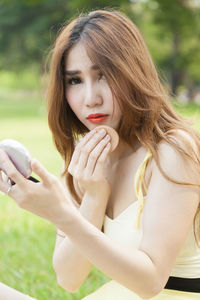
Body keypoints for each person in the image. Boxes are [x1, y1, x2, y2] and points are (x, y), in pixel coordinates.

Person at [0, 8, 200, 300]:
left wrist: (61, 214)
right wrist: (94, 198)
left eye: (104, 76)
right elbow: (69, 278)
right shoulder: (85, 160)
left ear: (132, 73)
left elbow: (152, 281)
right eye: (75, 81)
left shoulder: (173, 151)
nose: (91, 98)